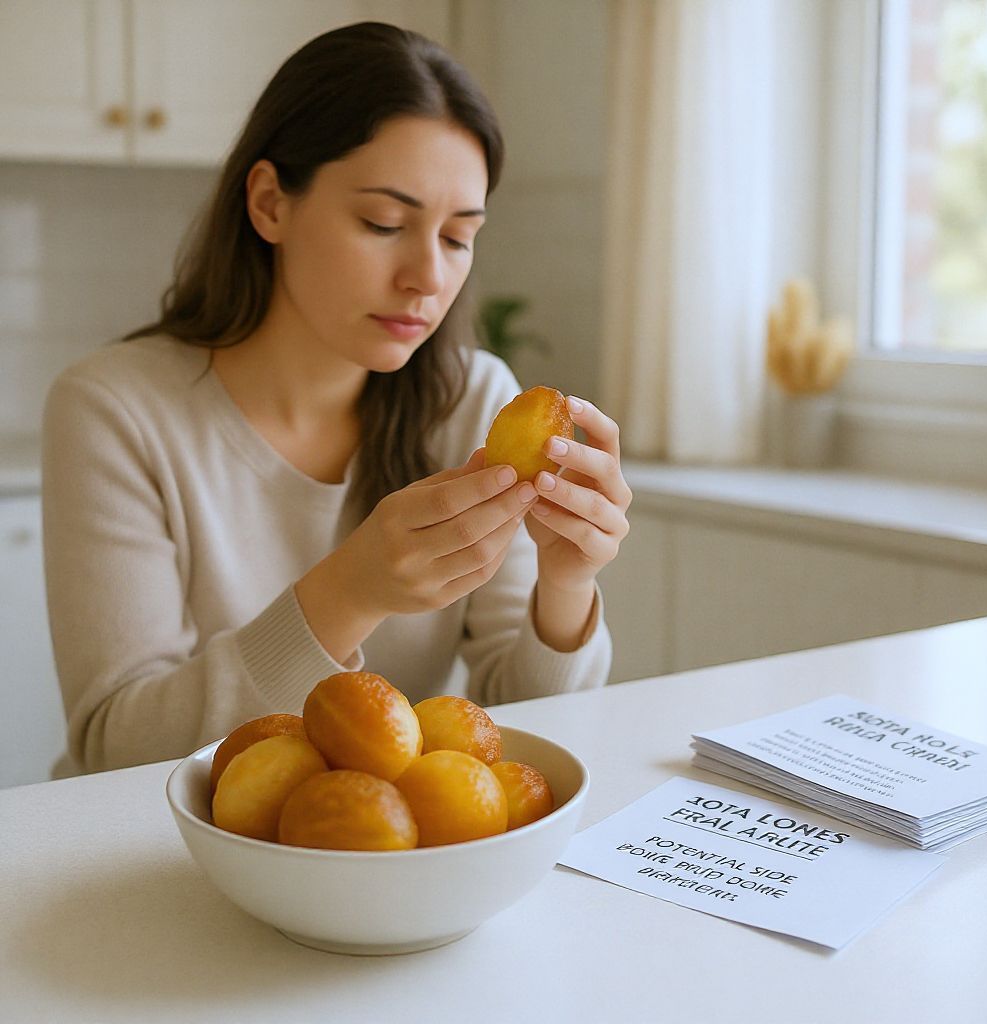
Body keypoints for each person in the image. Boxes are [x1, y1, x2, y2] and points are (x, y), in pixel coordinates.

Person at [41, 22, 631, 777]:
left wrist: (567, 582)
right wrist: (349, 590)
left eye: (458, 238)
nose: (427, 277)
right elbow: (115, 749)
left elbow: (512, 742)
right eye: (384, 223)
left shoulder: (473, 399)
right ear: (270, 204)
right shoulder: (114, 411)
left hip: (363, 853)